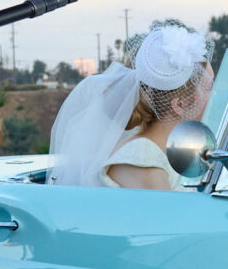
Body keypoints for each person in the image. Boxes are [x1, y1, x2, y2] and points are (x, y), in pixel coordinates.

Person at [48, 24, 213, 189]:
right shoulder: (143, 161)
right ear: (179, 104)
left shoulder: (167, 151)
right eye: (208, 88)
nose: (214, 95)